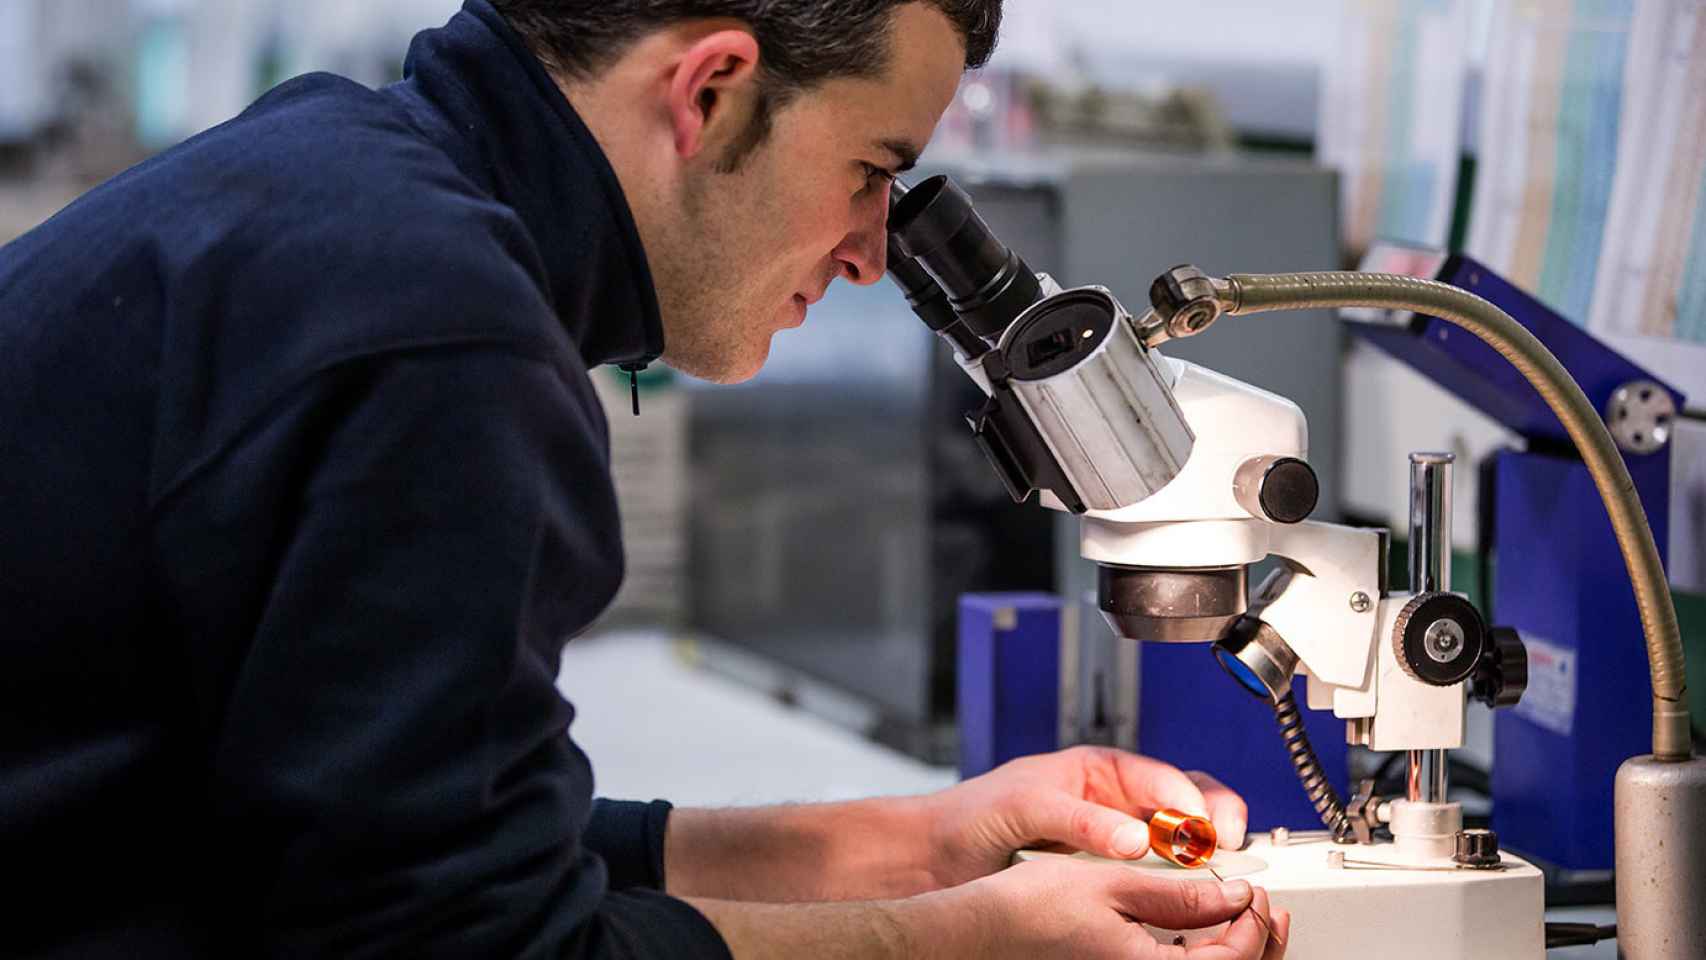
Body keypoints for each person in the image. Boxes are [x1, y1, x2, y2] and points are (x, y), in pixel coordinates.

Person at [0, 1, 1289, 957]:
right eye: (872, 173)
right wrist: (975, 940)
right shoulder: (440, 331)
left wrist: (928, 842)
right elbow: (471, 949)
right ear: (714, 89)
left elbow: (433, 851)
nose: (867, 255)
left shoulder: (350, 183)